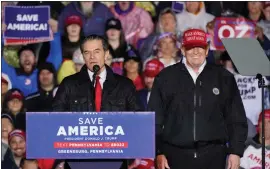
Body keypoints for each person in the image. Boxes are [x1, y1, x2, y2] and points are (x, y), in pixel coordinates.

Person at [148, 28, 248, 169]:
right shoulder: (165, 77)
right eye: (190, 47)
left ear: (207, 50)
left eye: (200, 47)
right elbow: (154, 119)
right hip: (174, 157)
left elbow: (236, 118)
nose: (195, 51)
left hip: (214, 156)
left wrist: (236, 152)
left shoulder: (224, 78)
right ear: (183, 50)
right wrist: (158, 151)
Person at [52, 34, 141, 168]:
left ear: (106, 54)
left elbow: (138, 121)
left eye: (96, 52)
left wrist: (130, 156)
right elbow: (55, 121)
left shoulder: (125, 85)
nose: (92, 57)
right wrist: (61, 158)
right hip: (78, 159)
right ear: (83, 56)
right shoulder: (69, 84)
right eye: (87, 53)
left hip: (114, 159)